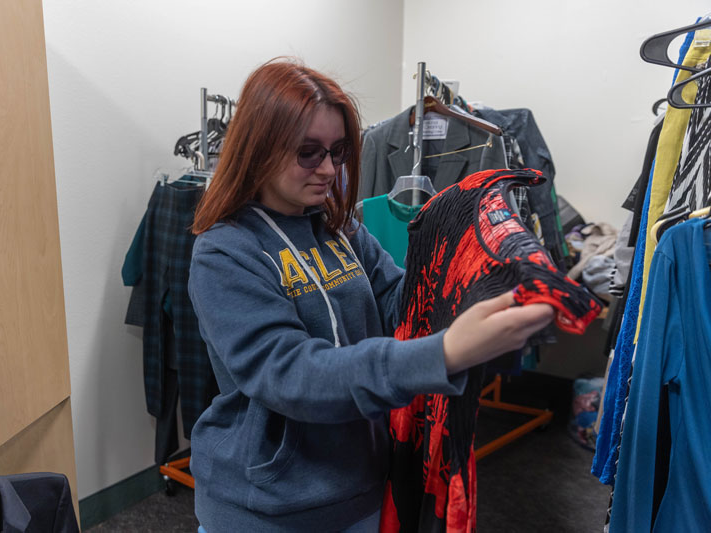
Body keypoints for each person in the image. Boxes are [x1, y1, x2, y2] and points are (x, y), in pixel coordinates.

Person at [188, 59, 554, 532]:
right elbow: (289, 373)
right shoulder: (223, 252)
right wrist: (442, 352)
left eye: (338, 151)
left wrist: (480, 283)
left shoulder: (340, 229)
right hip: (269, 507)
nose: (329, 169)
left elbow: (402, 300)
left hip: (361, 484)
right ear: (259, 149)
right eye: (308, 152)